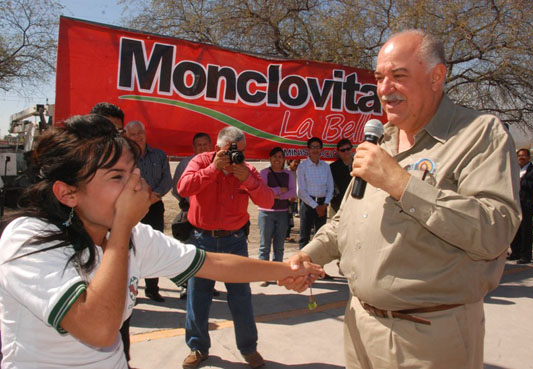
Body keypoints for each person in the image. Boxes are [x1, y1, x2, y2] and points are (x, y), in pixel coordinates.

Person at [279, 29, 521, 369]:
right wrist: (308, 254)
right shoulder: (382, 142)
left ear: (437, 76)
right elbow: (343, 220)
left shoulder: (479, 134)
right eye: (379, 78)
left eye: (399, 76)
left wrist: (401, 183)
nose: (384, 89)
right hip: (360, 325)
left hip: (428, 336)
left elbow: (494, 231)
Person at [0, 115, 323, 369]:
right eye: (116, 177)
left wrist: (284, 269)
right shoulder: (30, 238)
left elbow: (214, 263)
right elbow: (98, 329)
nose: (136, 184)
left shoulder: (131, 235)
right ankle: (198, 347)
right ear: (67, 193)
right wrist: (124, 228)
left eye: (133, 172)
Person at [177, 126, 277, 369]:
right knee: (197, 297)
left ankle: (249, 348)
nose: (236, 156)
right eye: (231, 151)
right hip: (203, 241)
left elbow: (268, 200)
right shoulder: (201, 161)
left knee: (240, 297)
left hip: (234, 241)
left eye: (241, 151)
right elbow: (183, 188)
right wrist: (214, 169)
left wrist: (249, 180)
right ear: (218, 148)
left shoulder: (247, 169)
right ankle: (198, 347)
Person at [125, 120, 172, 302]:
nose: (137, 137)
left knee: (154, 248)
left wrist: (154, 197)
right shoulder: (123, 157)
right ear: (126, 136)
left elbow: (166, 180)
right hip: (131, 208)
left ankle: (153, 288)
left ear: (145, 134)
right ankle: (131, 291)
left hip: (154, 207)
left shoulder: (159, 155)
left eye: (140, 133)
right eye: (133, 134)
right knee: (130, 250)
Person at [171, 132, 213, 299]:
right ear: (194, 147)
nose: (202, 148)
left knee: (208, 252)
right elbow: (176, 188)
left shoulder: (218, 162)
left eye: (205, 144)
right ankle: (185, 285)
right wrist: (187, 202)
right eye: (199, 145)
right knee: (189, 250)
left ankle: (207, 285)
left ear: (211, 146)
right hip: (190, 213)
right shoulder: (185, 164)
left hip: (211, 214)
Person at [257, 147, 296, 286]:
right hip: (266, 213)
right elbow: (263, 191)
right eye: (275, 156)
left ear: (284, 159)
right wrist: (280, 191)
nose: (277, 159)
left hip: (282, 213)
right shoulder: (264, 173)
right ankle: (264, 275)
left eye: (280, 156)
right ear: (270, 158)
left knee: (279, 246)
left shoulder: (288, 174)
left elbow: (292, 193)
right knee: (264, 246)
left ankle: (278, 274)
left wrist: (276, 195)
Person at [296, 137, 334, 249]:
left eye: (318, 147)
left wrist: (325, 204)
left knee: (320, 237)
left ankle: (318, 265)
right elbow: (300, 191)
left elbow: (330, 188)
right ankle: (302, 264)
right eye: (313, 147)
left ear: (321, 149)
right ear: (308, 150)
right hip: (308, 204)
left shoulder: (326, 166)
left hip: (323, 204)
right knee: (304, 237)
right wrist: (315, 206)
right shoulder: (302, 167)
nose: (315, 150)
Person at [509, 148, 533, 264]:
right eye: (519, 156)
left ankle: (525, 255)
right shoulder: (514, 169)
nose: (521, 158)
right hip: (514, 203)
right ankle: (515, 252)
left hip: (526, 204)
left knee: (525, 230)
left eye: (523, 156)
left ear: (528, 157)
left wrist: (521, 182)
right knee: (515, 229)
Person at [329, 138, 354, 217]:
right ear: (338, 152)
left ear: (352, 149)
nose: (346, 152)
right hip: (337, 206)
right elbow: (330, 186)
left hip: (356, 205)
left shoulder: (360, 165)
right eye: (343, 150)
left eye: (348, 149)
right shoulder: (332, 168)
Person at [285, 158, 300, 242]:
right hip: (286, 199)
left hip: (294, 199)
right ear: (289, 162)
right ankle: (285, 235)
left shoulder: (299, 172)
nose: (297, 164)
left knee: (290, 219)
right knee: (285, 218)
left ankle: (287, 235)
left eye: (298, 162)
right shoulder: (285, 172)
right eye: (295, 162)